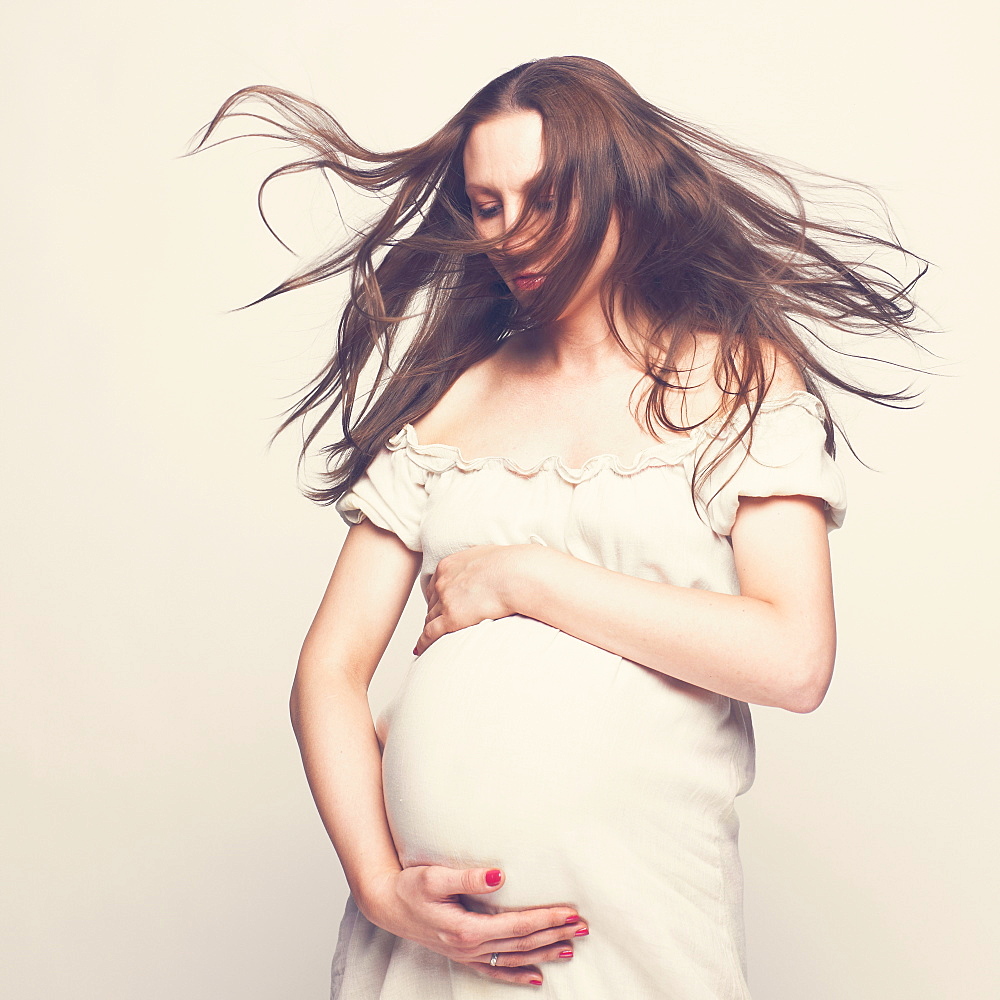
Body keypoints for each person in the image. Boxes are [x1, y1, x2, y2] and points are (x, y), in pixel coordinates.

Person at [193, 55, 931, 998]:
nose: (512, 232)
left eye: (545, 197)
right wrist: (380, 887)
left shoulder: (741, 383)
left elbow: (794, 660)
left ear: (624, 187)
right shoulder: (451, 404)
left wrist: (525, 579)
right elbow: (328, 669)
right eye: (488, 203)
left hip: (637, 926)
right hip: (429, 952)